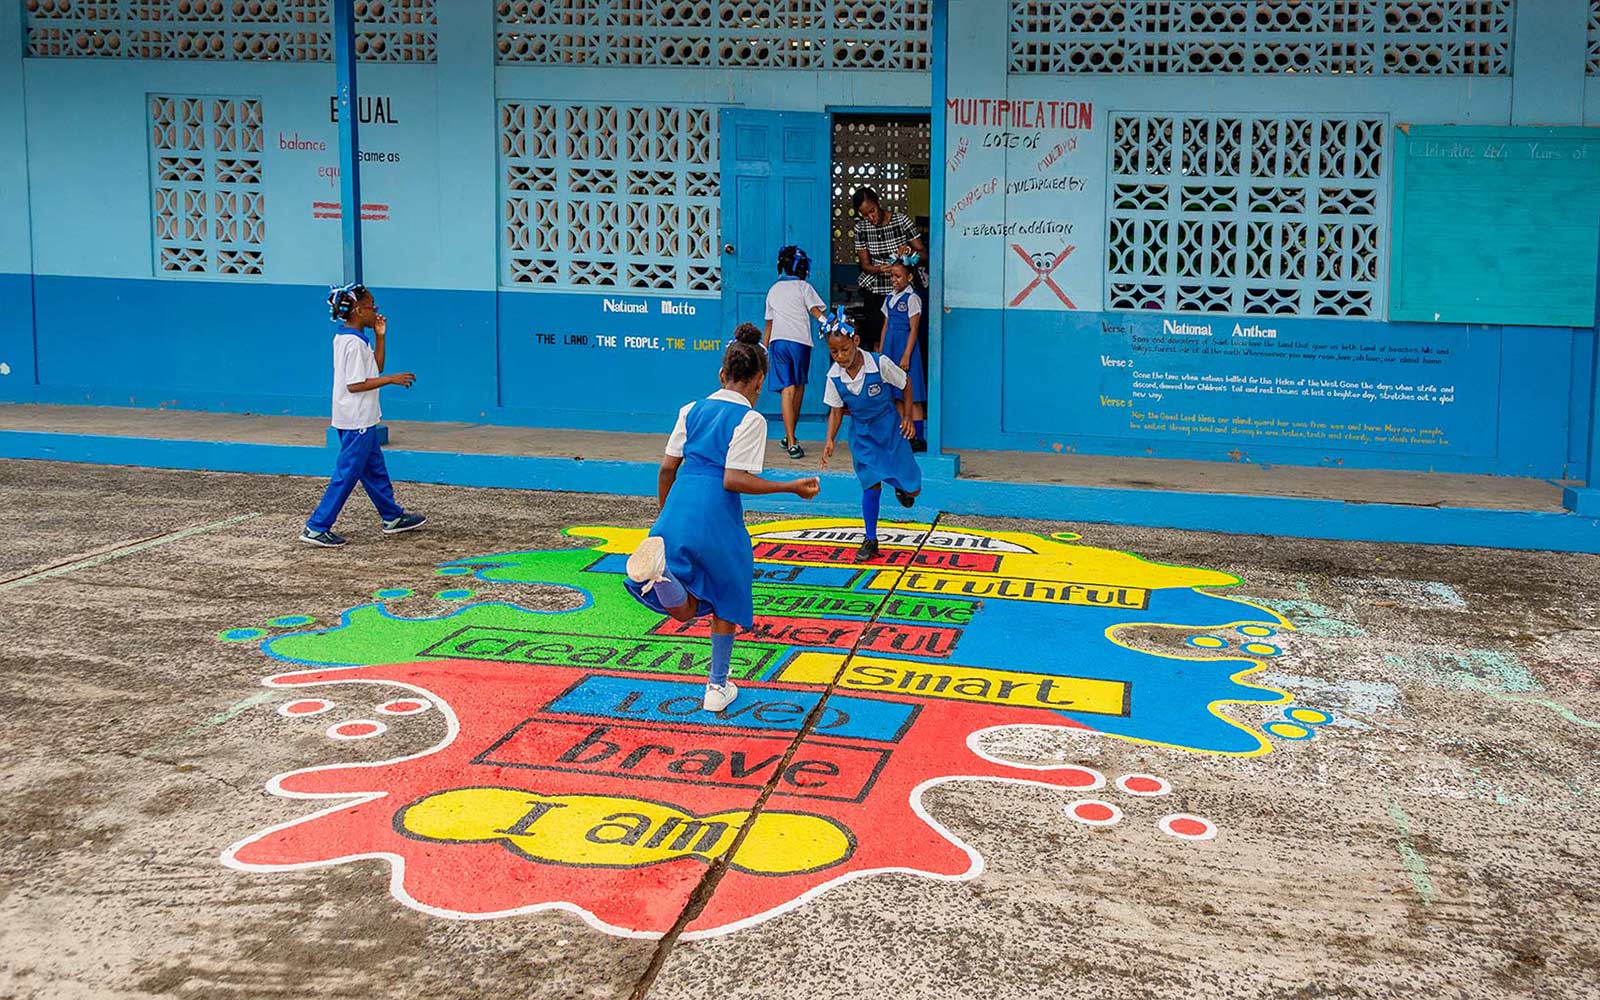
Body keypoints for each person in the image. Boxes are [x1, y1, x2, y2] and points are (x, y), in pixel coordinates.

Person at [625, 323, 822, 711]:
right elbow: (734, 479)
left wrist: (666, 515)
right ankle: (716, 688)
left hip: (679, 502)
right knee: (726, 592)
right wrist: (790, 486)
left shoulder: (690, 409)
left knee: (683, 608)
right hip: (716, 510)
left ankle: (663, 574)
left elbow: (667, 468)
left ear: (721, 373)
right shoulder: (750, 419)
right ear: (759, 380)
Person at [300, 283, 427, 547]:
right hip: (356, 419)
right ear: (358, 310)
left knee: (374, 470)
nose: (375, 310)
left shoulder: (352, 338)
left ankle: (391, 516)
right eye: (371, 306)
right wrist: (391, 379)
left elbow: (375, 368)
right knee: (347, 474)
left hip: (362, 419)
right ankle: (316, 526)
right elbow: (355, 384)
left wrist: (381, 336)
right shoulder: (353, 344)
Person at [818, 311, 922, 563]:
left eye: (844, 349)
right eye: (834, 352)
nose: (840, 357)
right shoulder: (833, 376)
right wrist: (830, 439)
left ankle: (902, 488)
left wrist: (908, 417)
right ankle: (871, 539)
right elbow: (836, 411)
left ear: (856, 341)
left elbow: (906, 383)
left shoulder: (880, 363)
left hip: (890, 430)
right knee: (870, 484)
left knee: (914, 489)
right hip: (862, 436)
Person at [763, 244, 828, 460]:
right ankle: (791, 439)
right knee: (797, 388)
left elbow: (769, 325)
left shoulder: (773, 289)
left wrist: (763, 349)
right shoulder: (804, 287)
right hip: (799, 343)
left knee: (787, 390)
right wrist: (833, 325)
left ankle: (789, 437)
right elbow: (816, 312)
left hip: (777, 343)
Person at [851, 186, 925, 352]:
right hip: (876, 291)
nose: (871, 217)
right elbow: (865, 265)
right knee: (879, 339)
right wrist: (879, 269)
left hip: (902, 289)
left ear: (878, 202)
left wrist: (910, 251)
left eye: (873, 211)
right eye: (865, 215)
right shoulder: (861, 228)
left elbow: (924, 254)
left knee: (905, 335)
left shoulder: (901, 221)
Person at [881, 258, 928, 452]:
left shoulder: (912, 299)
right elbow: (885, 327)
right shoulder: (889, 299)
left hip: (905, 349)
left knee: (913, 393)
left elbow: (914, 329)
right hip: (890, 350)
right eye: (892, 275)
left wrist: (907, 355)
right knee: (897, 395)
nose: (894, 279)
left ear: (909, 277)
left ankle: (917, 437)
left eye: (898, 276)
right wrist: (881, 354)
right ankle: (904, 434)